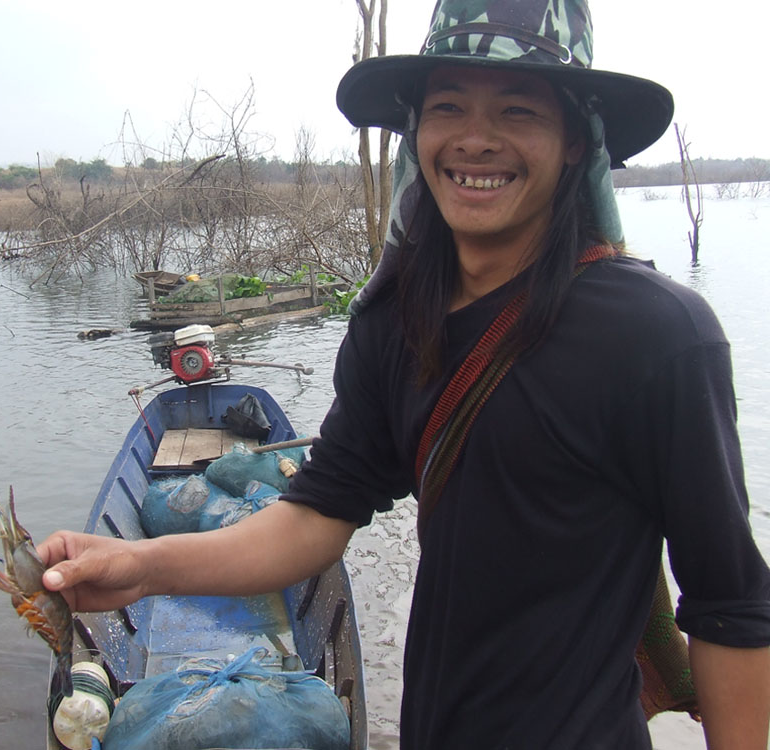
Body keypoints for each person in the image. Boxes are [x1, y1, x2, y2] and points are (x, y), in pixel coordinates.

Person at [37, 1, 770, 747]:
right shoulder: (395, 318)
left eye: (517, 110)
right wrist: (140, 565)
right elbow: (319, 514)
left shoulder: (658, 337)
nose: (475, 140)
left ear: (577, 139)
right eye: (448, 106)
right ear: (415, 131)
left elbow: (730, 603)